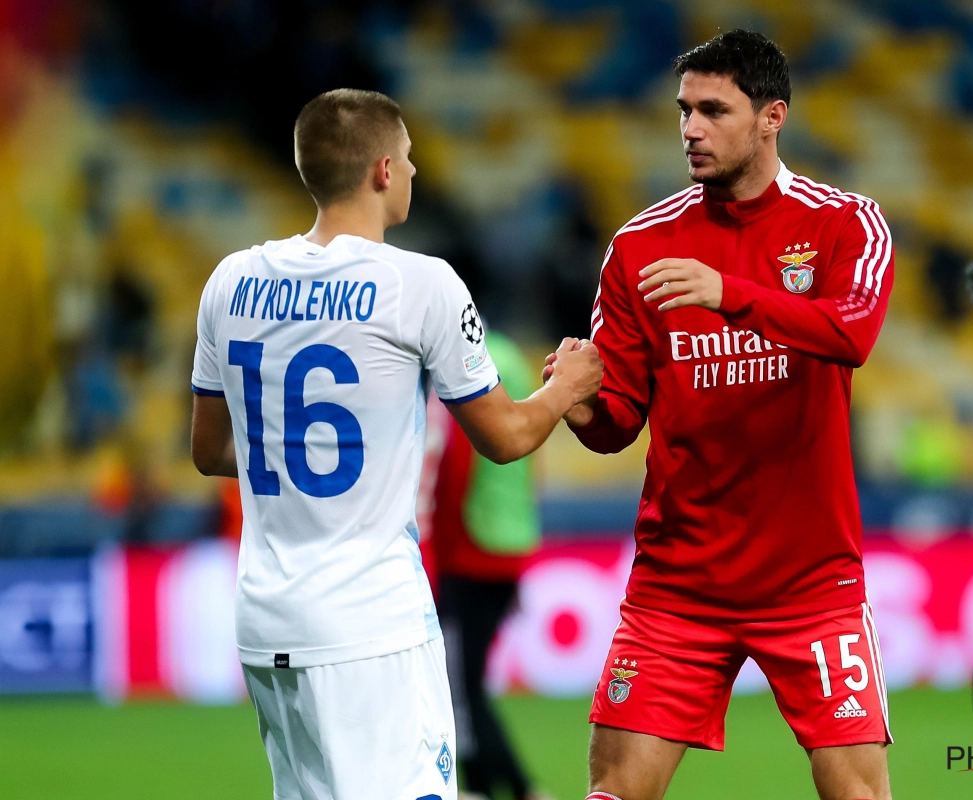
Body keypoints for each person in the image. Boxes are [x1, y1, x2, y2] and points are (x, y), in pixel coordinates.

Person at [189, 88, 602, 800]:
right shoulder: (421, 284)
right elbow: (505, 437)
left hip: (265, 619)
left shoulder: (230, 282)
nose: (413, 173)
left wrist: (306, 459)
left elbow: (209, 450)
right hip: (369, 626)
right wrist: (567, 384)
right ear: (383, 170)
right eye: (409, 159)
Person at [543, 30, 894, 800]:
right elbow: (618, 423)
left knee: (859, 795)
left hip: (811, 580)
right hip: (679, 583)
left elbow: (851, 334)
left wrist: (730, 294)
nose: (691, 129)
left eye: (713, 110)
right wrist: (577, 399)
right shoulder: (639, 245)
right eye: (683, 110)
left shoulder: (845, 223)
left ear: (773, 117)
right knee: (613, 792)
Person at [431, 328, 552, 800]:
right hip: (509, 541)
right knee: (466, 682)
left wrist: (436, 554)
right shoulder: (511, 357)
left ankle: (503, 788)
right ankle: (510, 788)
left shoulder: (461, 363)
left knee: (457, 686)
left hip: (468, 548)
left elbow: (459, 462)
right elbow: (529, 454)